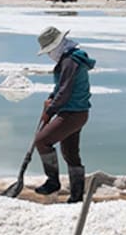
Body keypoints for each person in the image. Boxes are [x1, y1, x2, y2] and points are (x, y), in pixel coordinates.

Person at [32, 26, 96, 203]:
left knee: (41, 141)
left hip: (72, 113)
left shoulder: (70, 61)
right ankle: (76, 196)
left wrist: (50, 112)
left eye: (49, 51)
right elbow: (61, 88)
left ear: (57, 46)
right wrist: (51, 98)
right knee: (70, 153)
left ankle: (53, 182)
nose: (49, 55)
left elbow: (65, 91)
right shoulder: (69, 59)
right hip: (77, 112)